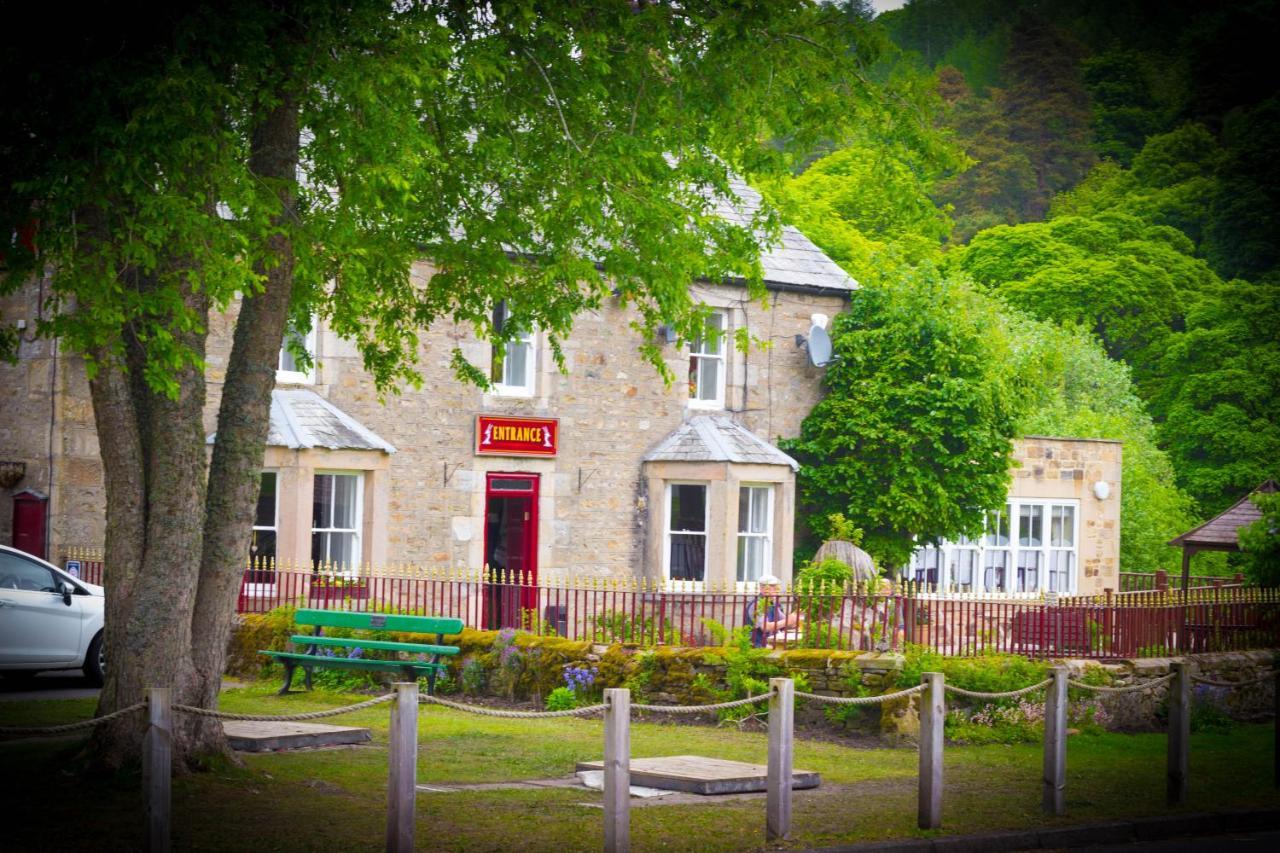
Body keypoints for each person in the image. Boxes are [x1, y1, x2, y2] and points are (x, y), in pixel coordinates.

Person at [745, 573, 800, 648]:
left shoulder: (773, 603)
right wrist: (787, 621)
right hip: (757, 646)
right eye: (772, 586)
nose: (776, 589)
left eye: (776, 586)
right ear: (762, 588)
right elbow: (765, 627)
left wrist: (793, 621)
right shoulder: (757, 604)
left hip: (771, 643)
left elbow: (783, 622)